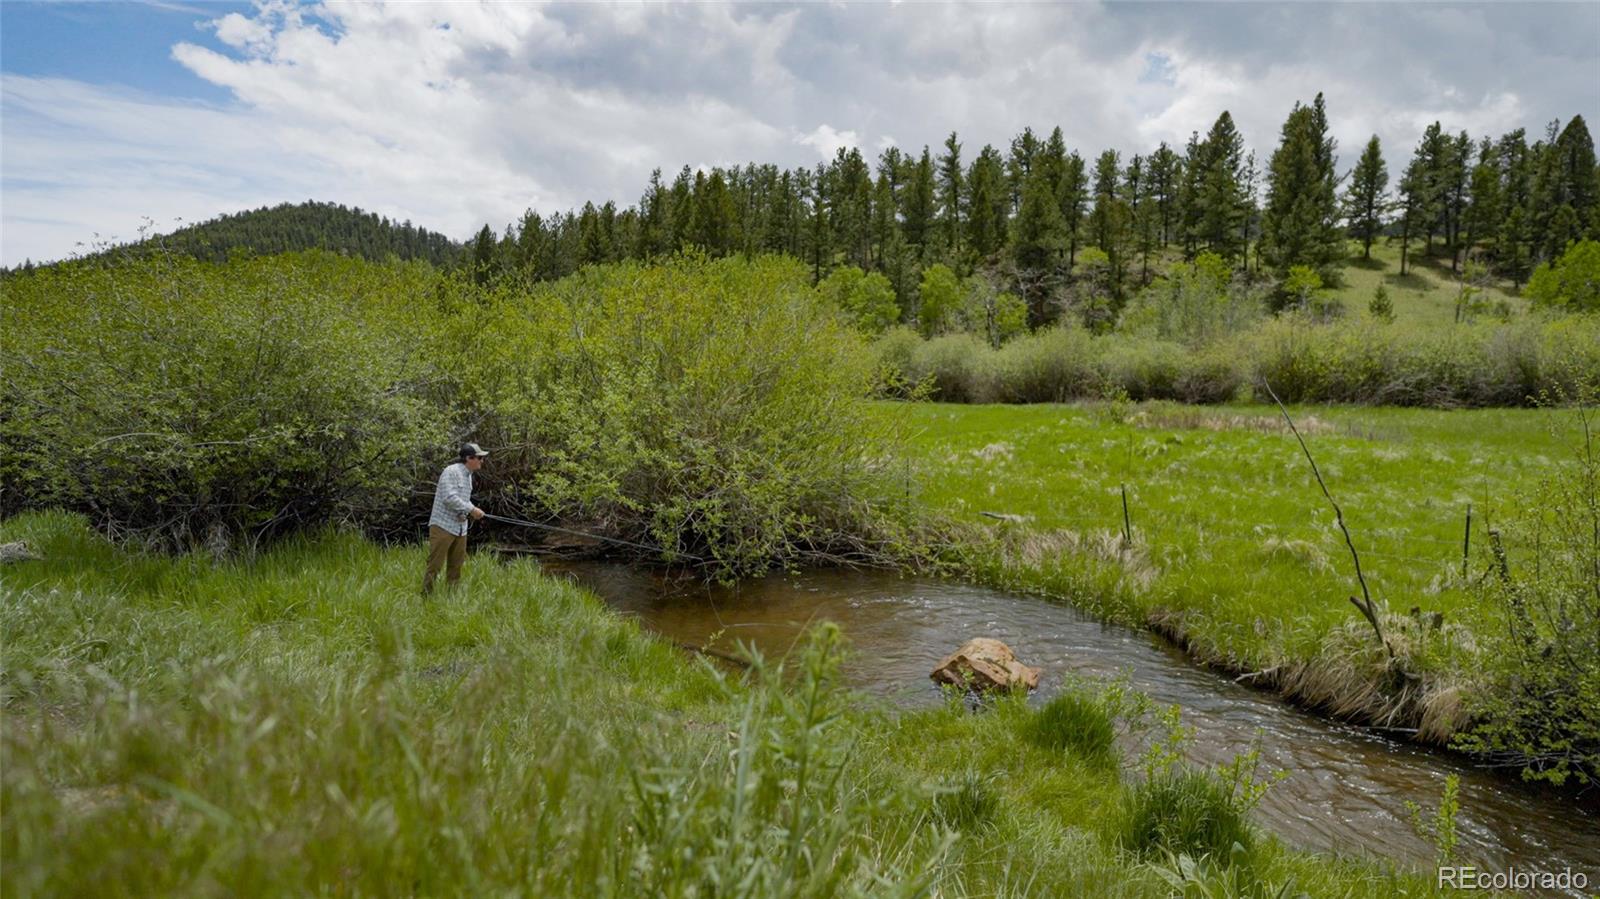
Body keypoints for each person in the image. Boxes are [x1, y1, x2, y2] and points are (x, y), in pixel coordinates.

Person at [423, 442, 488, 594]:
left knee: (456, 566)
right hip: (442, 526)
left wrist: (473, 509)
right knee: (435, 565)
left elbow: (463, 500)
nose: (482, 461)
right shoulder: (451, 472)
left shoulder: (468, 476)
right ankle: (426, 596)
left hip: (460, 528)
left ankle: (451, 598)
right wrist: (471, 509)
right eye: (479, 458)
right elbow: (449, 498)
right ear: (468, 458)